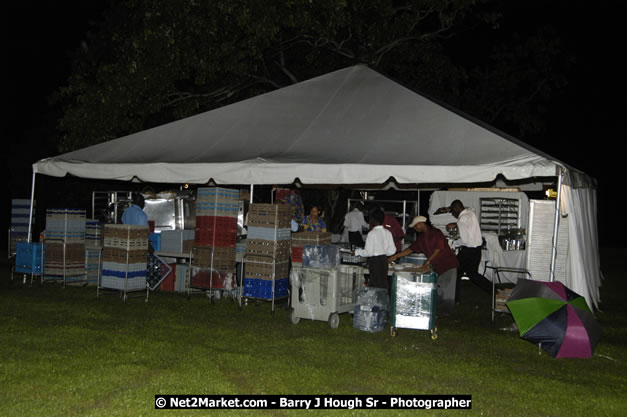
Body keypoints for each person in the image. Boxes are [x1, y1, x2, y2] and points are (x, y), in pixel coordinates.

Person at [389, 216, 459, 315]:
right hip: (437, 266)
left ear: (421, 223)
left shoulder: (436, 233)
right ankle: (436, 310)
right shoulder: (421, 238)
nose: (414, 228)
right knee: (438, 288)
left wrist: (427, 262)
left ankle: (446, 312)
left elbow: (438, 249)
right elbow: (411, 249)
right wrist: (396, 256)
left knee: (447, 290)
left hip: (448, 264)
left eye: (415, 225)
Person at [436, 200, 492, 300]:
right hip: (477, 249)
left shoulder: (462, 219)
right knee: (473, 275)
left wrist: (453, 244)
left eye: (453, 211)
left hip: (468, 251)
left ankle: (454, 298)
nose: (453, 214)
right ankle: (494, 290)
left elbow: (465, 240)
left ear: (457, 209)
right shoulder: (470, 213)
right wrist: (455, 224)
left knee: (456, 272)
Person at [354, 208, 396, 291]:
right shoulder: (388, 232)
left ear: (372, 219)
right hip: (384, 260)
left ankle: (376, 302)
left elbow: (368, 252)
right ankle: (383, 301)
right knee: (383, 282)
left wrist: (356, 252)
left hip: (375, 261)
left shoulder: (372, 233)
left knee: (375, 284)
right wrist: (383, 252)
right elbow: (393, 250)